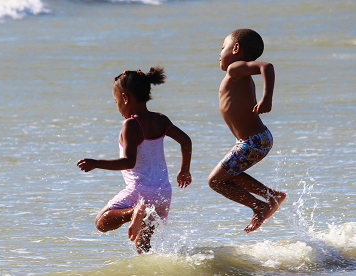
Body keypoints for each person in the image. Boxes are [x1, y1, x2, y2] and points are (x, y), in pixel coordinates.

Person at [77, 67, 192, 254]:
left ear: (125, 98)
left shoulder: (131, 124)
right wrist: (184, 170)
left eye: (116, 102)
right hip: (163, 192)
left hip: (140, 192)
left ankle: (134, 211)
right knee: (143, 245)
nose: (117, 107)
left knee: (101, 222)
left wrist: (96, 163)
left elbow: (129, 162)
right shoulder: (160, 119)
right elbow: (186, 141)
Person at [208, 29, 286, 233]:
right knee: (229, 175)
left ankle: (262, 205)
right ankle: (271, 197)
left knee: (215, 181)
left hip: (252, 141)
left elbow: (266, 66)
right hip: (254, 140)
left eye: (222, 48)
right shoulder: (237, 72)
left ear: (235, 49)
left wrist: (267, 98)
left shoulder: (235, 68)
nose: (219, 53)